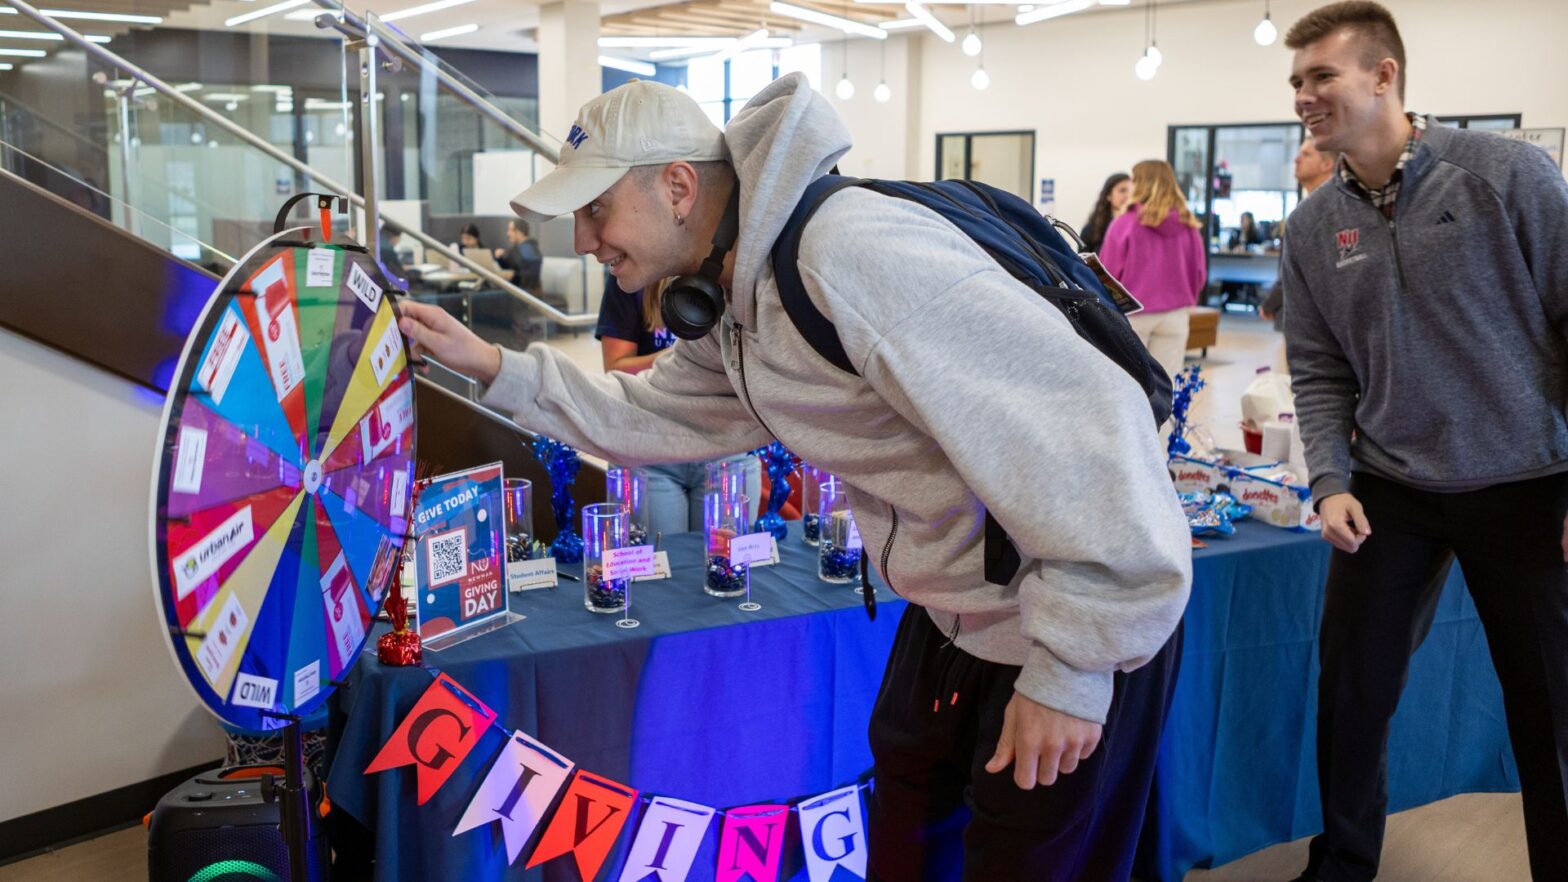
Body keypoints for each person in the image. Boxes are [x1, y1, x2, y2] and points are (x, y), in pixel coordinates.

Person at [395, 76, 1190, 879]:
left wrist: (1073, 673)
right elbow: (651, 416)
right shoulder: (740, 297)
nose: (580, 239)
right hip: (952, 619)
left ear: (677, 186)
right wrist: (493, 367)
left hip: (1060, 623)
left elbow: (1092, 424)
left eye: (596, 207)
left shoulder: (850, 252)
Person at [1279, 4, 1568, 881]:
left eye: (1321, 77)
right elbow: (1320, 371)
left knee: (1550, 708)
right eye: (1296, 83)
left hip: (1527, 481)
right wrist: (1330, 480)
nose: (1304, 98)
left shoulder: (1506, 173)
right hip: (1390, 488)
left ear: (1383, 75)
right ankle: (1342, 865)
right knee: (1352, 695)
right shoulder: (1310, 229)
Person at [595, 277, 762, 532]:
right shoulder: (632, 276)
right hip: (651, 450)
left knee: (727, 566)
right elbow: (616, 367)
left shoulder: (735, 275)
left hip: (725, 449)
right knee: (660, 563)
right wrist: (683, 357)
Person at [1098, 159, 1207, 379]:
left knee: (1131, 382)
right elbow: (1199, 273)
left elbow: (1106, 275)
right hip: (1175, 314)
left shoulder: (1124, 224)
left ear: (1140, 184)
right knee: (1168, 384)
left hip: (1134, 315)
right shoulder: (1189, 226)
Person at [1259, 137, 1338, 325]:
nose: (1296, 160)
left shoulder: (1331, 211)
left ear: (1327, 164)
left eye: (1306, 154)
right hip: (1302, 317)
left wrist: (1271, 302)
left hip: (1322, 322)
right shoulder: (1307, 210)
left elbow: (1299, 269)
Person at [1079, 172, 1132, 254]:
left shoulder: (1138, 226)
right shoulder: (1091, 229)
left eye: (1131, 191)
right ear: (1108, 195)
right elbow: (1082, 261)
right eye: (1122, 191)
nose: (1128, 195)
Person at [495, 218, 544, 290]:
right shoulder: (517, 248)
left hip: (526, 293)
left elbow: (532, 275)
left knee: (477, 298)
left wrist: (514, 276)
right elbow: (509, 266)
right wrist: (500, 258)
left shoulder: (529, 249)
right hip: (516, 290)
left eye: (511, 230)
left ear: (520, 232)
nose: (508, 234)